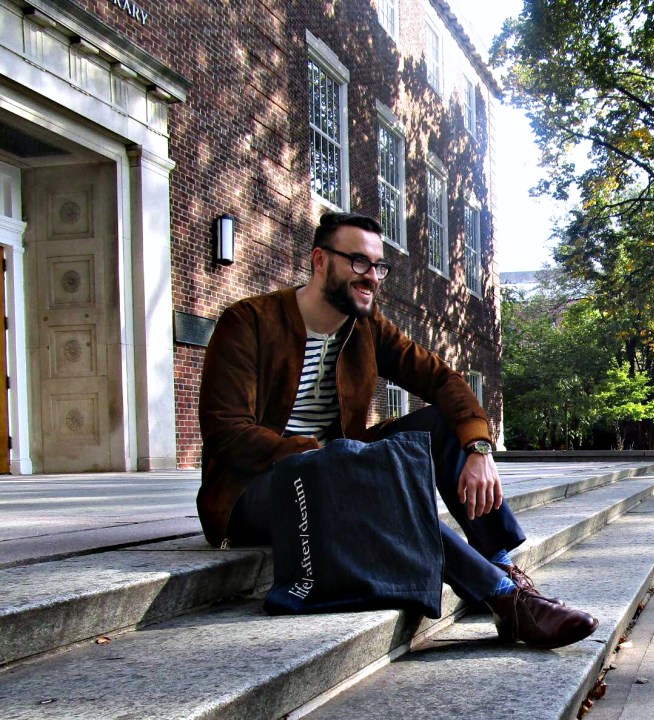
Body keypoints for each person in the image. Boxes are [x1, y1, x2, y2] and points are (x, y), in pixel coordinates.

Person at [197, 211, 598, 649]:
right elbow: (226, 432)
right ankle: (504, 597)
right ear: (320, 260)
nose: (371, 277)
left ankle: (499, 564)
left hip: (343, 475)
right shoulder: (249, 321)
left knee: (442, 422)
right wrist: (325, 459)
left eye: (378, 266)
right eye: (358, 262)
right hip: (253, 491)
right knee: (360, 475)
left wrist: (479, 448)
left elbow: (443, 380)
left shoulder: (366, 327)